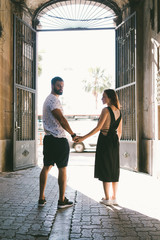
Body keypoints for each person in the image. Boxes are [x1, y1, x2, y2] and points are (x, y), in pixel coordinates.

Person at [75, 89, 122, 205]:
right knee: (114, 168)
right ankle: (114, 197)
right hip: (114, 142)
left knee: (105, 167)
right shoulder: (119, 112)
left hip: (105, 140)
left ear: (110, 98)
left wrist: (82, 138)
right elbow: (120, 131)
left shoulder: (106, 110)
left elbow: (98, 128)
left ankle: (107, 198)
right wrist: (115, 142)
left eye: (104, 96)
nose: (102, 99)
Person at [38, 76, 77, 209]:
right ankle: (61, 200)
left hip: (49, 139)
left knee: (46, 167)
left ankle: (41, 198)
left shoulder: (48, 100)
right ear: (52, 85)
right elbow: (61, 118)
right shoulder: (53, 100)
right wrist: (72, 134)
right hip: (58, 139)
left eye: (62, 86)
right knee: (62, 168)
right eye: (59, 86)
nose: (61, 88)